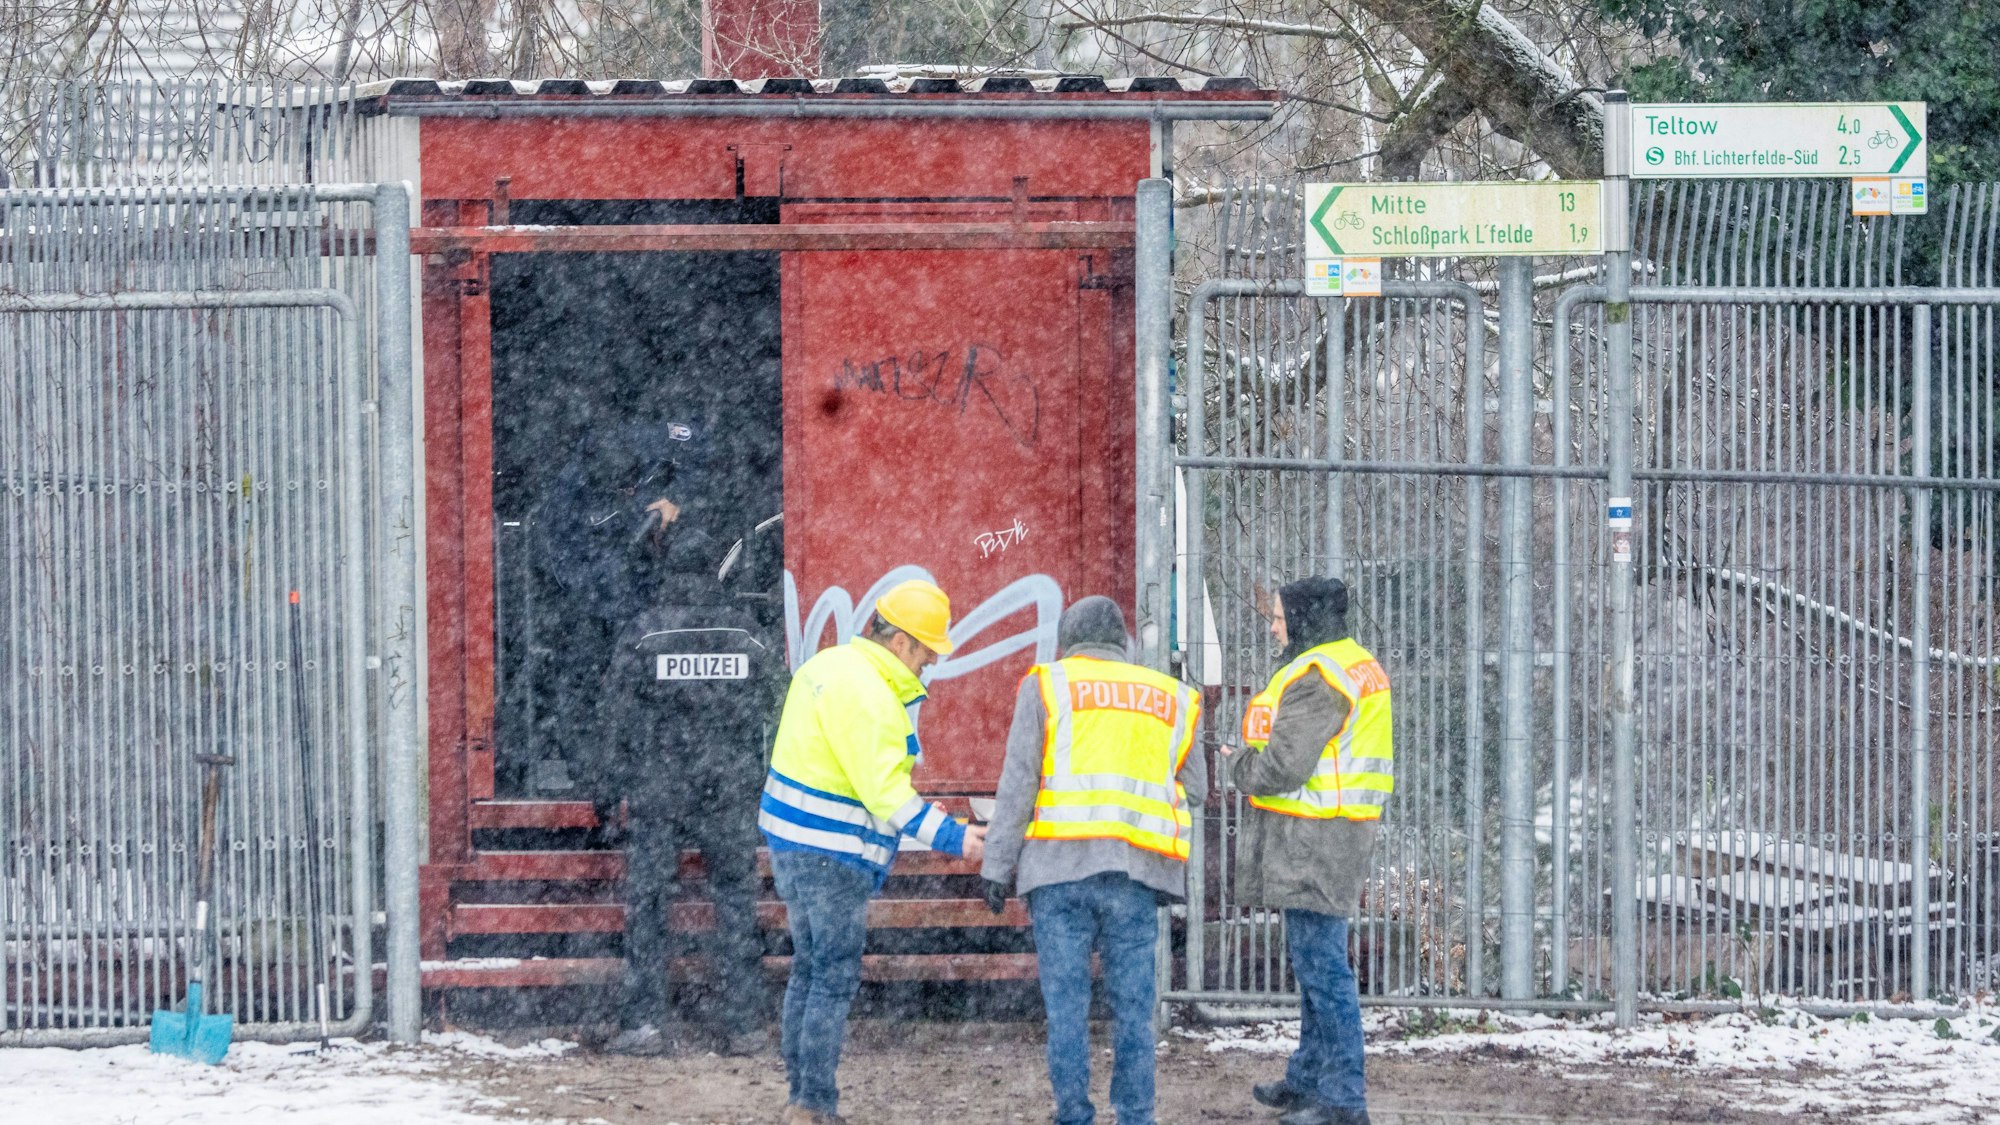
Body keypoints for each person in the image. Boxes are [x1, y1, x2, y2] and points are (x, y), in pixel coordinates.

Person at [757, 579, 989, 1125]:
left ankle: (799, 1098)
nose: (931, 662)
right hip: (832, 854)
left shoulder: (826, 667)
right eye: (928, 650)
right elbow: (886, 795)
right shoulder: (873, 697)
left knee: (808, 971)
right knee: (832, 978)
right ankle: (813, 1105)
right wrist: (958, 839)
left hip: (790, 843)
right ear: (903, 642)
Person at [980, 596, 1205, 1125]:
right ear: (1124, 641)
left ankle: (1074, 1114)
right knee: (1133, 1011)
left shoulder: (1046, 686)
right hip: (1134, 875)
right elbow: (1196, 787)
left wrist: (996, 866)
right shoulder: (1172, 696)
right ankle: (1135, 1114)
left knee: (1067, 1009)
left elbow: (1018, 785)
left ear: (1068, 641)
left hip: (1057, 875)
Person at [596, 523, 774, 1058]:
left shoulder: (644, 633)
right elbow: (784, 705)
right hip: (730, 789)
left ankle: (644, 1023)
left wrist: (606, 794)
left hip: (659, 789)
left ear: (668, 567)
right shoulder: (747, 634)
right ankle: (744, 1025)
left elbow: (613, 719)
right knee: (737, 904)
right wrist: (768, 776)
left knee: (648, 905)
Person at [1226, 577, 1392, 1125]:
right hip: (1333, 831)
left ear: (1301, 618)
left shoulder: (1320, 675)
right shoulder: (1349, 661)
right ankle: (1307, 1080)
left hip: (1317, 836)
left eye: (1278, 617)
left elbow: (1284, 765)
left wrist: (1240, 767)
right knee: (1315, 962)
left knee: (1322, 968)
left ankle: (1343, 1100)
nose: (1273, 626)